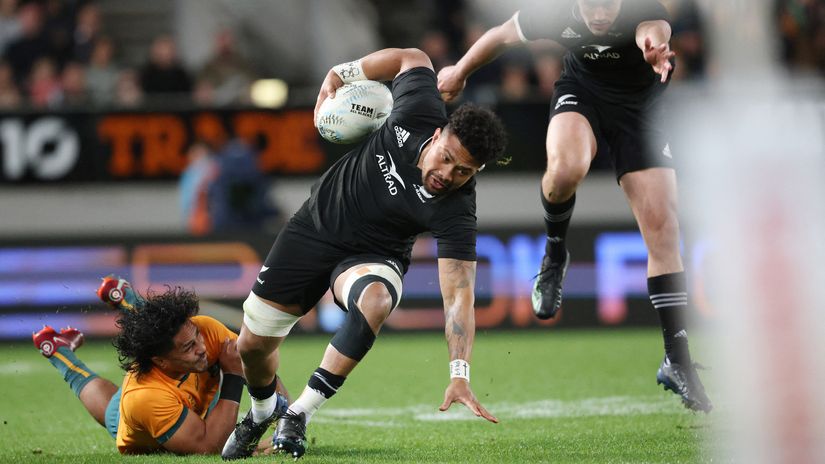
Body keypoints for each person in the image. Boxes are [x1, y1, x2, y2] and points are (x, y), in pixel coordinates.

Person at [221, 47, 507, 460]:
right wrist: (342, 73)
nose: (448, 176)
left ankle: (299, 413)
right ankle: (264, 409)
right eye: (447, 159)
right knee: (250, 347)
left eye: (463, 172)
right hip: (315, 226)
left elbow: (459, 293)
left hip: (374, 256)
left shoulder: (457, 209)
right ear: (439, 133)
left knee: (377, 300)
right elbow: (413, 57)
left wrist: (459, 374)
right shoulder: (418, 109)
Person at [437, 0, 711, 412]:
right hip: (580, 95)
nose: (600, 14)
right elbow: (499, 36)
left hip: (640, 111)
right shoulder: (552, 13)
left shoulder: (644, 13)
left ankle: (677, 359)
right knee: (566, 168)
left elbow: (652, 32)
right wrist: (458, 72)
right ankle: (555, 254)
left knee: (663, 228)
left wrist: (654, 46)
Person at [33, 276, 289, 455]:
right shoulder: (145, 397)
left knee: (161, 331)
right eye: (189, 347)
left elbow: (260, 367)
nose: (201, 347)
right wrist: (233, 375)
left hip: (177, 388)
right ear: (160, 361)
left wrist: (287, 426)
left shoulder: (203, 329)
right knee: (111, 409)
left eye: (196, 337)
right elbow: (208, 445)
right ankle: (59, 353)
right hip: (146, 425)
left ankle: (130, 302)